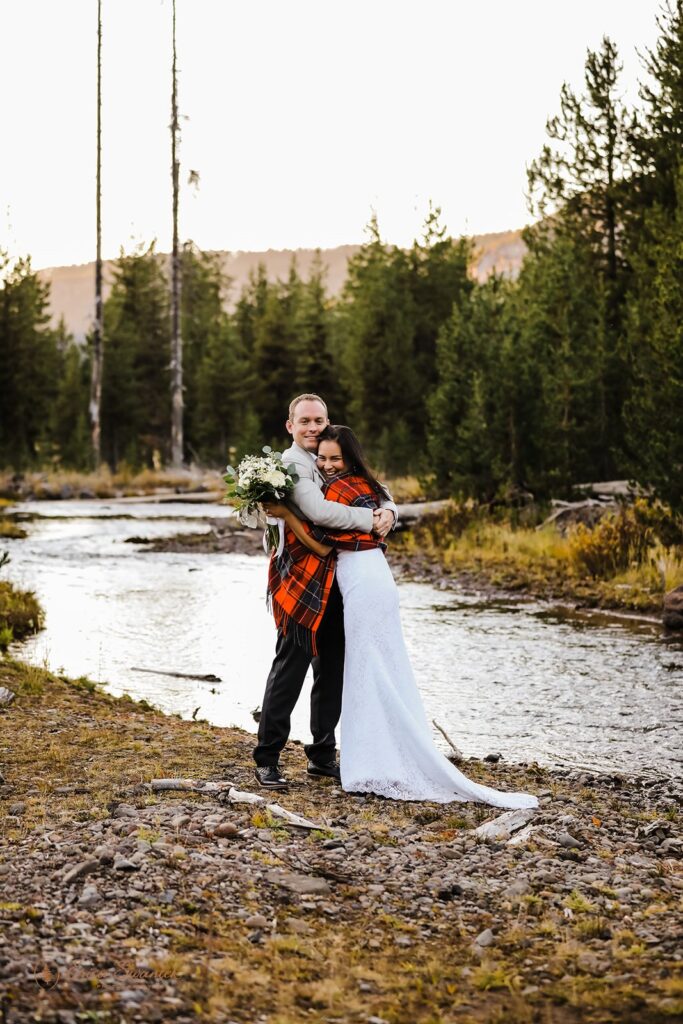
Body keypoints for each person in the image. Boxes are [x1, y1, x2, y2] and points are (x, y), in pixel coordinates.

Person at [266, 424, 538, 809]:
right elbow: (370, 505)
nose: (327, 464)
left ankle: (373, 759)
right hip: (367, 580)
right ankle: (366, 754)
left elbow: (325, 537)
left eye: (334, 459)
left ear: (348, 458)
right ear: (291, 425)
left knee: (365, 668)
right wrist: (385, 511)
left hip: (362, 585)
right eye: (323, 458)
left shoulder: (345, 486)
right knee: (371, 667)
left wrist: (290, 515)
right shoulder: (336, 475)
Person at [252, 395, 398, 790]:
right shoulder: (291, 465)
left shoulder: (332, 452)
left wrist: (390, 509)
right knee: (290, 667)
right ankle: (267, 758)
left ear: (327, 421)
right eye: (305, 421)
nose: (313, 427)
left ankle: (321, 756)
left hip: (338, 577)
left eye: (319, 420)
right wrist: (372, 518)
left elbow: (375, 485)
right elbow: (320, 513)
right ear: (290, 426)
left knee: (331, 669)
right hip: (301, 578)